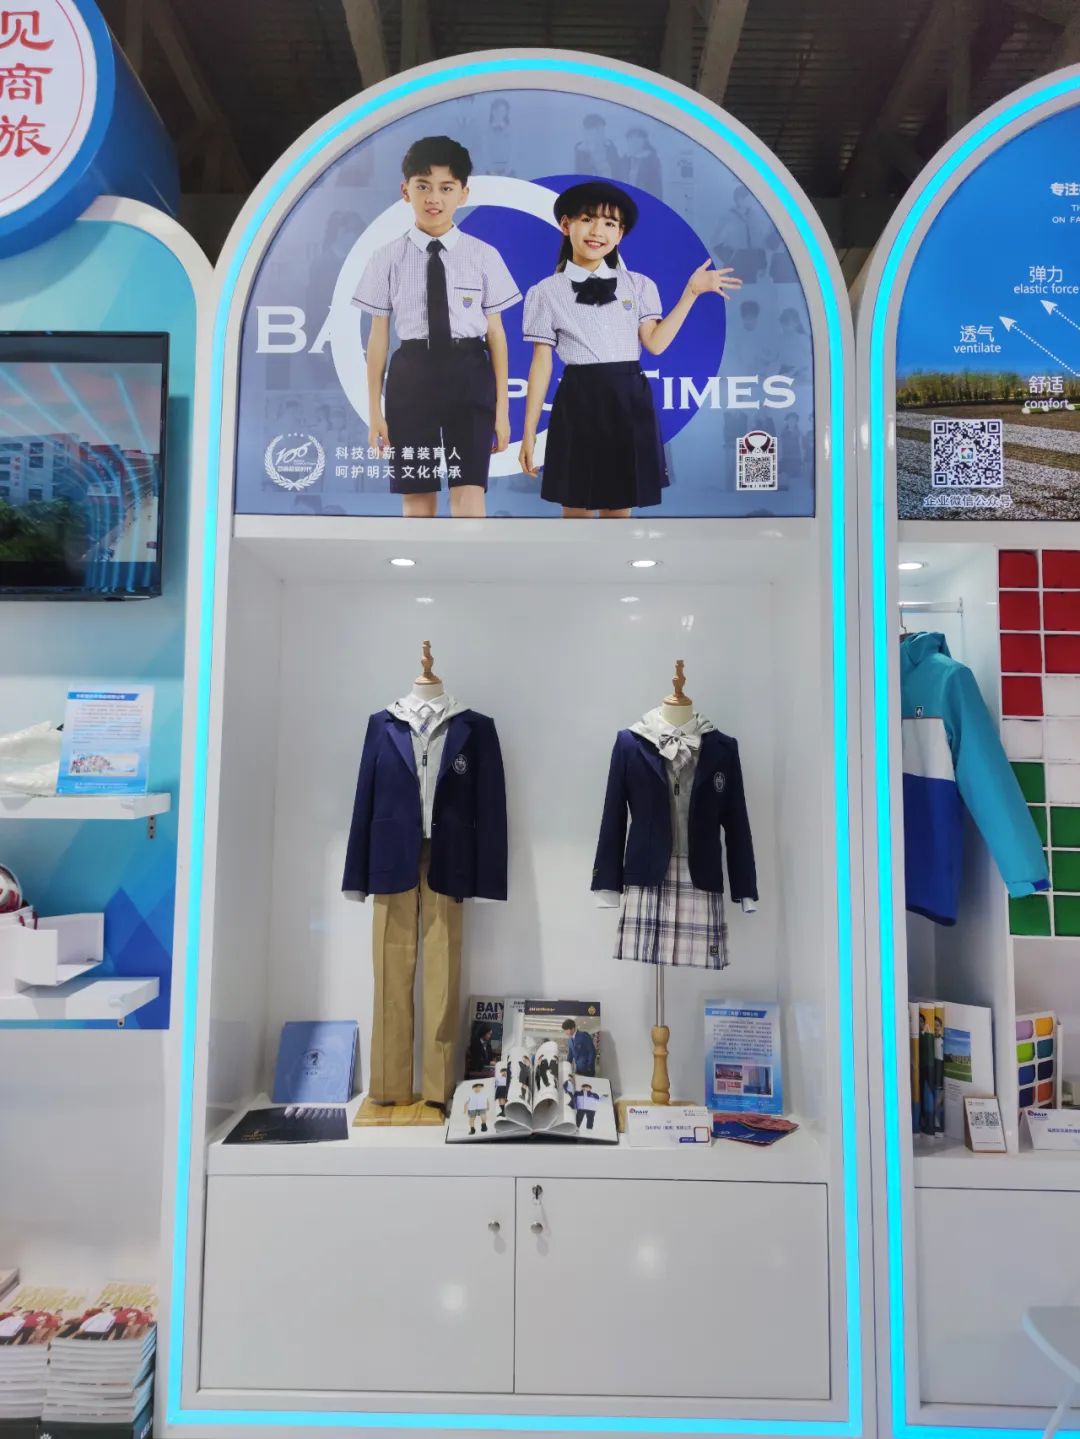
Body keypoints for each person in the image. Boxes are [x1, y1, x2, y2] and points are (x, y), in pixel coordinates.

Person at [519, 181, 741, 518]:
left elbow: (655, 343)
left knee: (619, 508)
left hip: (629, 399)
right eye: (587, 219)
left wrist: (692, 293)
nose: (598, 232)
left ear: (620, 234)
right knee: (575, 509)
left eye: (610, 224)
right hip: (578, 399)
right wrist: (529, 434)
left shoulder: (638, 285)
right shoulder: (545, 292)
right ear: (566, 225)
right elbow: (541, 364)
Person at [354, 135, 522, 519]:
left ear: (463, 194)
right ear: (405, 191)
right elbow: (378, 336)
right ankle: (418, 562)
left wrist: (502, 411)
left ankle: (468, 560)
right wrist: (375, 411)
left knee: (470, 493)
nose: (434, 198)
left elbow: (496, 335)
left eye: (446, 188)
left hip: (470, 374)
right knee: (416, 495)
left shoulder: (484, 256)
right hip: (411, 377)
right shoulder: (385, 258)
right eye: (423, 186)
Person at [574, 113, 620, 178]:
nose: (602, 133)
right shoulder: (580, 152)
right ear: (587, 131)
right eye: (598, 130)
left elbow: (619, 172)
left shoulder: (611, 148)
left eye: (602, 129)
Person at [622, 126, 662, 196]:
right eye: (631, 137)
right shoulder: (625, 158)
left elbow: (656, 185)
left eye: (638, 137)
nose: (634, 141)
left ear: (645, 140)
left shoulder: (651, 159)